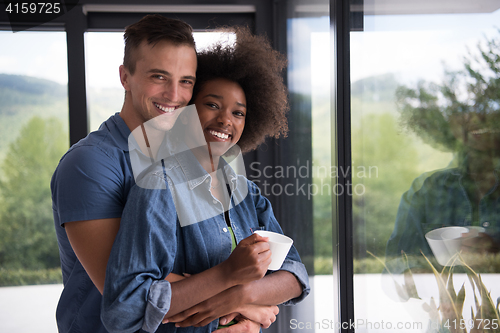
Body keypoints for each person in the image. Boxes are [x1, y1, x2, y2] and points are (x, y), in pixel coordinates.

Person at [101, 27, 310, 333]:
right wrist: (227, 275)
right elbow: (123, 307)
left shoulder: (246, 194)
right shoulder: (158, 188)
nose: (226, 120)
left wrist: (239, 296)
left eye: (238, 113)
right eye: (212, 105)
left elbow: (295, 275)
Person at [51, 14, 197, 333]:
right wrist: (243, 293)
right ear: (125, 77)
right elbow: (129, 290)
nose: (175, 94)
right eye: (159, 77)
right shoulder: (89, 165)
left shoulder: (188, 159)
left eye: (186, 80)